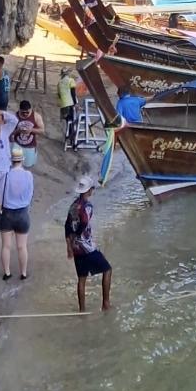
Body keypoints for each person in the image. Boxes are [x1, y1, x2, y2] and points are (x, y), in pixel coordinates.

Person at [64, 174, 112, 312]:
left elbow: (67, 226)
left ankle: (82, 310)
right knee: (107, 269)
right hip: (86, 247)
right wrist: (78, 235)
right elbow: (84, 222)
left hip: (76, 248)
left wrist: (69, 244)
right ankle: (106, 304)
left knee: (81, 279)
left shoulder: (73, 206)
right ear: (89, 190)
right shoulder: (87, 206)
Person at [0, 146, 34, 281]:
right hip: (23, 212)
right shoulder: (28, 175)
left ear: (11, 160)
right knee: (22, 246)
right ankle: (23, 273)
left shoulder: (6, 176)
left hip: (7, 213)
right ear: (22, 160)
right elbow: (30, 194)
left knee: (6, 246)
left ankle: (7, 273)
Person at [11, 98, 44, 168]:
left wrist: (31, 130)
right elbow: (9, 133)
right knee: (16, 167)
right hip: (17, 145)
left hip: (30, 146)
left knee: (28, 166)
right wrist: (18, 130)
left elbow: (42, 130)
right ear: (19, 110)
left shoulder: (36, 116)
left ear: (30, 109)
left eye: (27, 112)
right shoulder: (15, 116)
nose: (25, 114)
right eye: (23, 112)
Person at [57, 68, 77, 150]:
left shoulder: (59, 83)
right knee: (73, 122)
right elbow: (73, 93)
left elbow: (59, 95)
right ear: (68, 73)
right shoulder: (71, 81)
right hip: (70, 104)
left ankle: (68, 138)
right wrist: (75, 104)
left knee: (68, 122)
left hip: (63, 106)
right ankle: (73, 141)